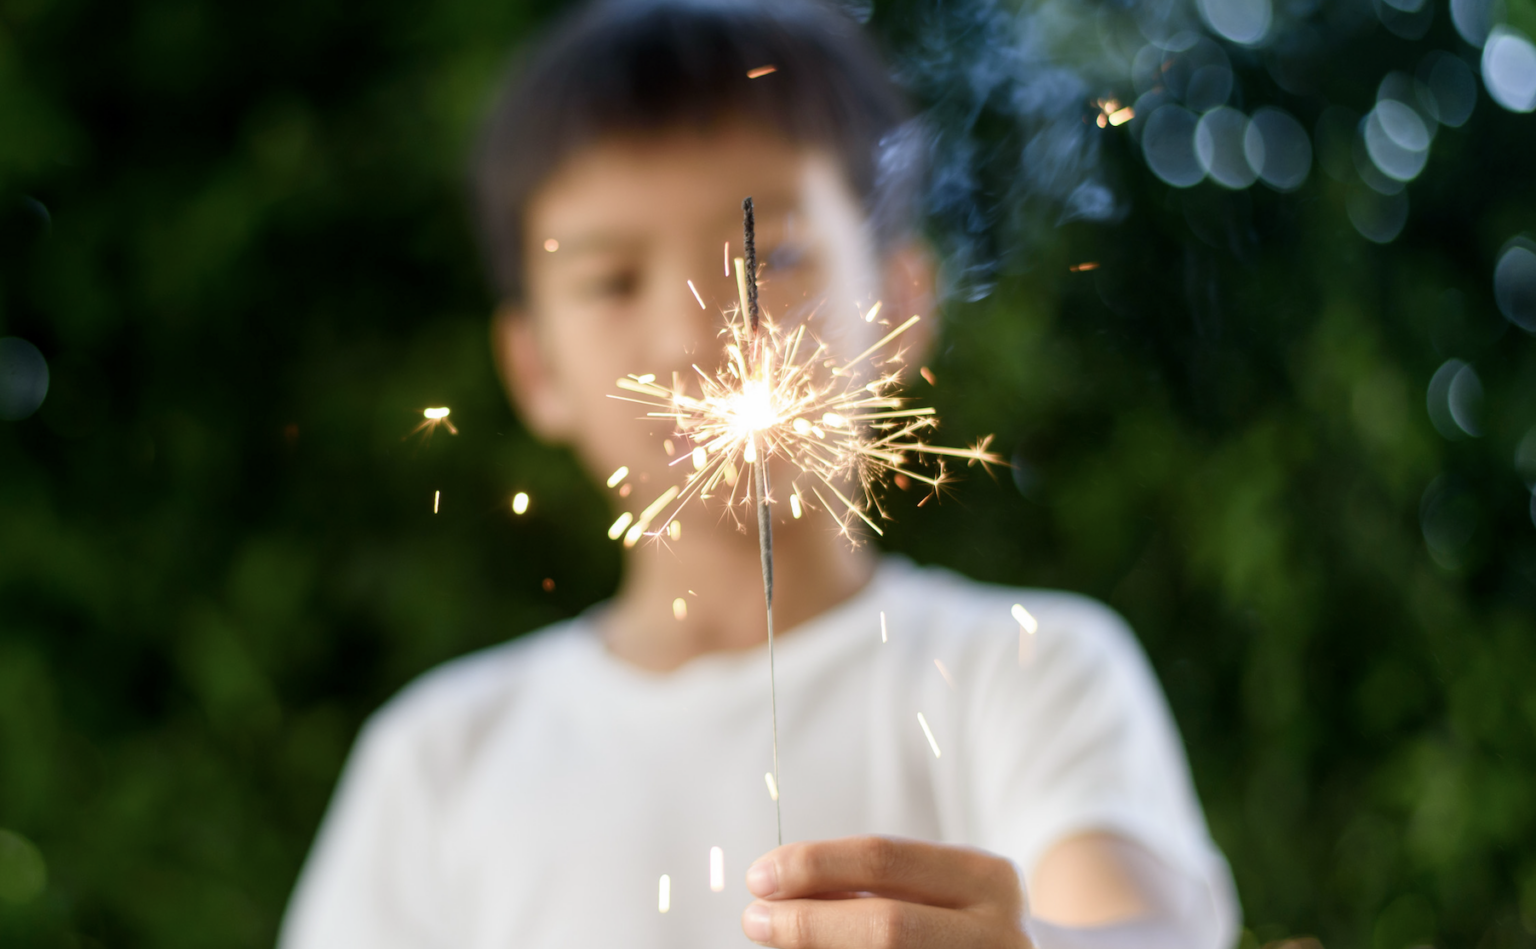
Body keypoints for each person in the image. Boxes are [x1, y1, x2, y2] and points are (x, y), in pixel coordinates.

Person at [278, 1, 1240, 947]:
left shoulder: (1028, 670)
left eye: (774, 256)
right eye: (612, 281)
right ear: (534, 367)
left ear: (900, 301)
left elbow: (1143, 925)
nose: (694, 334)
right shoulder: (437, 759)